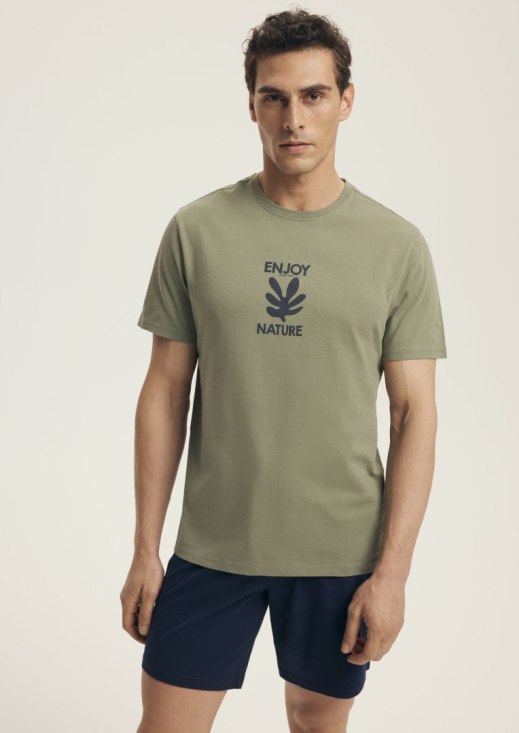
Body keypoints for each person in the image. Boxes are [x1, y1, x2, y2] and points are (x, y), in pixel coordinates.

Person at [120, 7, 447, 733]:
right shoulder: (197, 230)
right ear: (252, 106)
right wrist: (145, 549)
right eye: (274, 97)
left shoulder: (396, 246)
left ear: (346, 101)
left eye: (313, 95)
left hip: (341, 549)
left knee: (315, 723)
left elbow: (413, 413)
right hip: (214, 544)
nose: (293, 118)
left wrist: (393, 574)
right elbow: (164, 392)